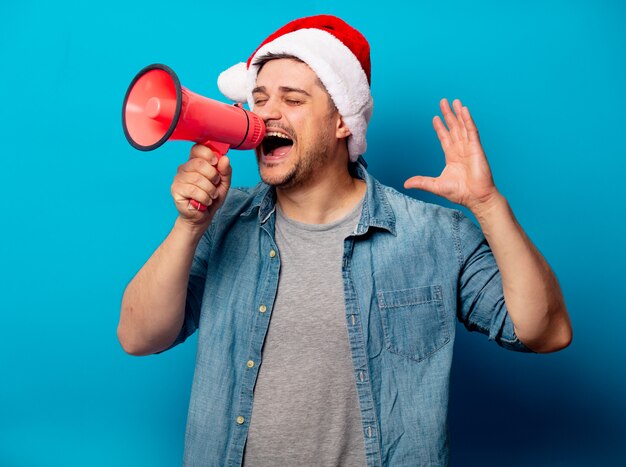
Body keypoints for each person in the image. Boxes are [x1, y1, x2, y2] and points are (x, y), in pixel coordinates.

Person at [117, 14, 572, 467]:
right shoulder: (222, 219)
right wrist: (189, 226)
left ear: (343, 122)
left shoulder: (434, 235)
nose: (266, 113)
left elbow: (547, 331)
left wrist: (488, 205)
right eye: (258, 99)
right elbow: (138, 337)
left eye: (293, 99)